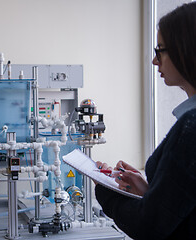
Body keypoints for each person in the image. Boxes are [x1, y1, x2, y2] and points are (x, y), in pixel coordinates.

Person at [94, 2, 196, 239]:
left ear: (186, 49)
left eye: (160, 49)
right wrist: (151, 192)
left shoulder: (191, 128)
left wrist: (105, 191)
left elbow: (148, 227)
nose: (155, 60)